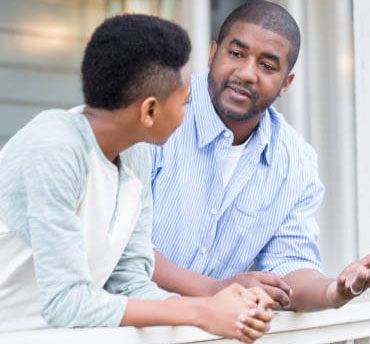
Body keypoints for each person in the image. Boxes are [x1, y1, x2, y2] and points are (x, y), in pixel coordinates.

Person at [0, 14, 273, 343]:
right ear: (149, 111)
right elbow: (65, 303)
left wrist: (220, 307)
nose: (190, 113)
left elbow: (129, 282)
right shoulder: (54, 148)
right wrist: (200, 313)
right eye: (185, 102)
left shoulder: (133, 154)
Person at [150, 0, 370, 312]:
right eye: (236, 54)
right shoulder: (157, 113)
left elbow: (289, 265)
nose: (247, 73)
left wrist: (332, 292)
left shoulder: (296, 163)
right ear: (213, 53)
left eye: (267, 66)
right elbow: (125, 247)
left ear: (286, 83)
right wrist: (215, 290)